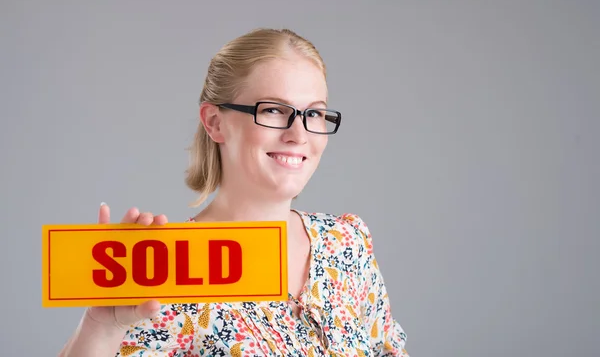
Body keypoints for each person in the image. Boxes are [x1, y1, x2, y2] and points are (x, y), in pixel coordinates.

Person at [59, 28, 409, 356]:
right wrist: (100, 328)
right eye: (273, 109)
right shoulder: (170, 269)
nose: (299, 135)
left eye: (314, 113)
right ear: (214, 122)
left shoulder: (345, 241)